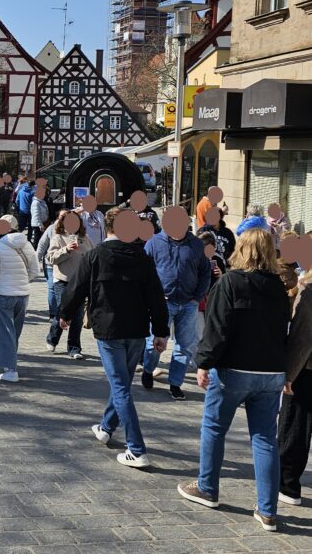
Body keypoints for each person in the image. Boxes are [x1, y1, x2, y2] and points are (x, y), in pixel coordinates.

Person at [178, 228, 291, 532]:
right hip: (271, 373)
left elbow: (216, 329)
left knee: (214, 427)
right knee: (265, 438)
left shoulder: (230, 282)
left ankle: (207, 488)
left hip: (234, 371)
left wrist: (203, 363)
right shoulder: (279, 288)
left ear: (240, 248)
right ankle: (268, 510)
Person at [61, 207, 169, 469]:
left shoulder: (96, 255)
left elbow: (76, 287)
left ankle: (136, 449)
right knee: (122, 383)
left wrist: (63, 314)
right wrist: (161, 331)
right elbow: (156, 295)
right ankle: (106, 427)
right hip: (136, 329)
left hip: (109, 330)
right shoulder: (142, 257)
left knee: (120, 386)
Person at [142, 206, 211, 399]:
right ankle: (148, 369)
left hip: (189, 303)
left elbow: (205, 272)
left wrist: (197, 296)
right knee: (154, 343)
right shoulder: (154, 243)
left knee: (185, 346)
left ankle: (175, 383)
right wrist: (151, 296)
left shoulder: (196, 245)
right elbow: (144, 271)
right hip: (162, 302)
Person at [0, 215, 39, 382]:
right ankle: (11, 362)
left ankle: (11, 368)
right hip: (23, 294)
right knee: (15, 331)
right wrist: (25, 280)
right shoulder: (27, 244)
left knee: (5, 331)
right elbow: (35, 270)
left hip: (4, 293)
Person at [278, 267, 312, 507]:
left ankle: (288, 486)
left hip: (306, 370)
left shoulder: (308, 291)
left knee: (294, 428)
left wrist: (288, 375)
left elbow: (303, 338)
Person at [45, 210, 93, 359]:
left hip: (80, 282)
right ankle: (52, 338)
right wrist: (66, 249)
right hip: (62, 281)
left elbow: (92, 256)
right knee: (63, 311)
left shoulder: (85, 238)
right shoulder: (58, 238)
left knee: (77, 316)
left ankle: (74, 348)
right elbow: (50, 258)